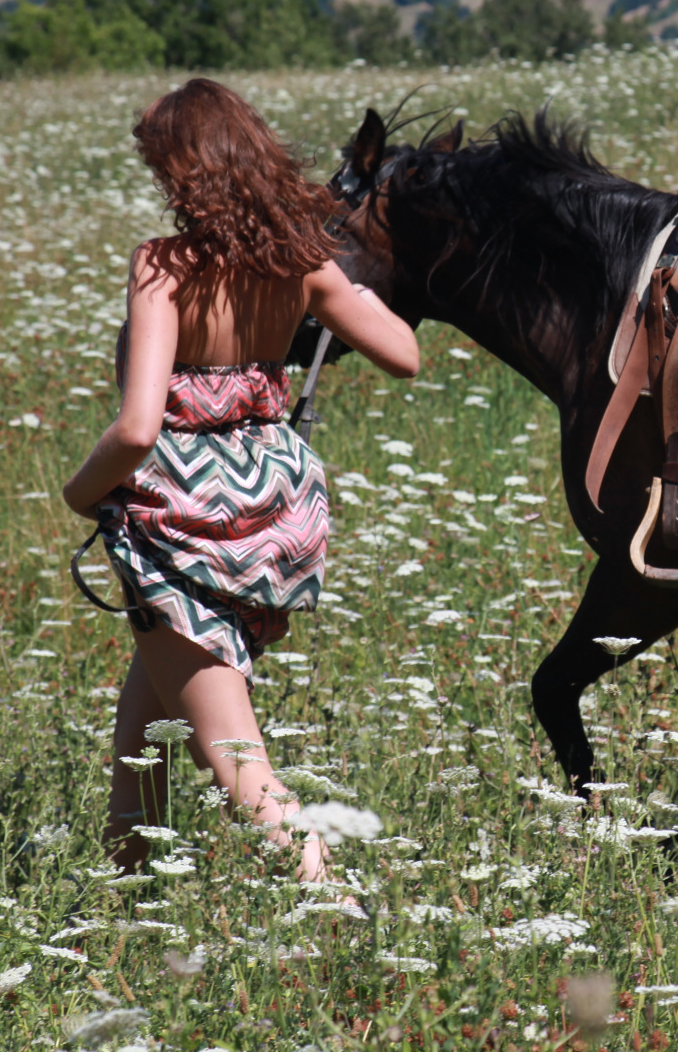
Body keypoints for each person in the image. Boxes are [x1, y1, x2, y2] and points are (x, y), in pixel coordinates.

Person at [63, 79, 418, 881]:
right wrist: (339, 284)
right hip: (272, 507)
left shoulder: (163, 268)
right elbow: (404, 352)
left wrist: (79, 493)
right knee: (141, 739)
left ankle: (338, 911)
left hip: (180, 518)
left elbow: (138, 426)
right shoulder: (300, 263)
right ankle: (131, 909)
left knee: (238, 766)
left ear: (183, 173)